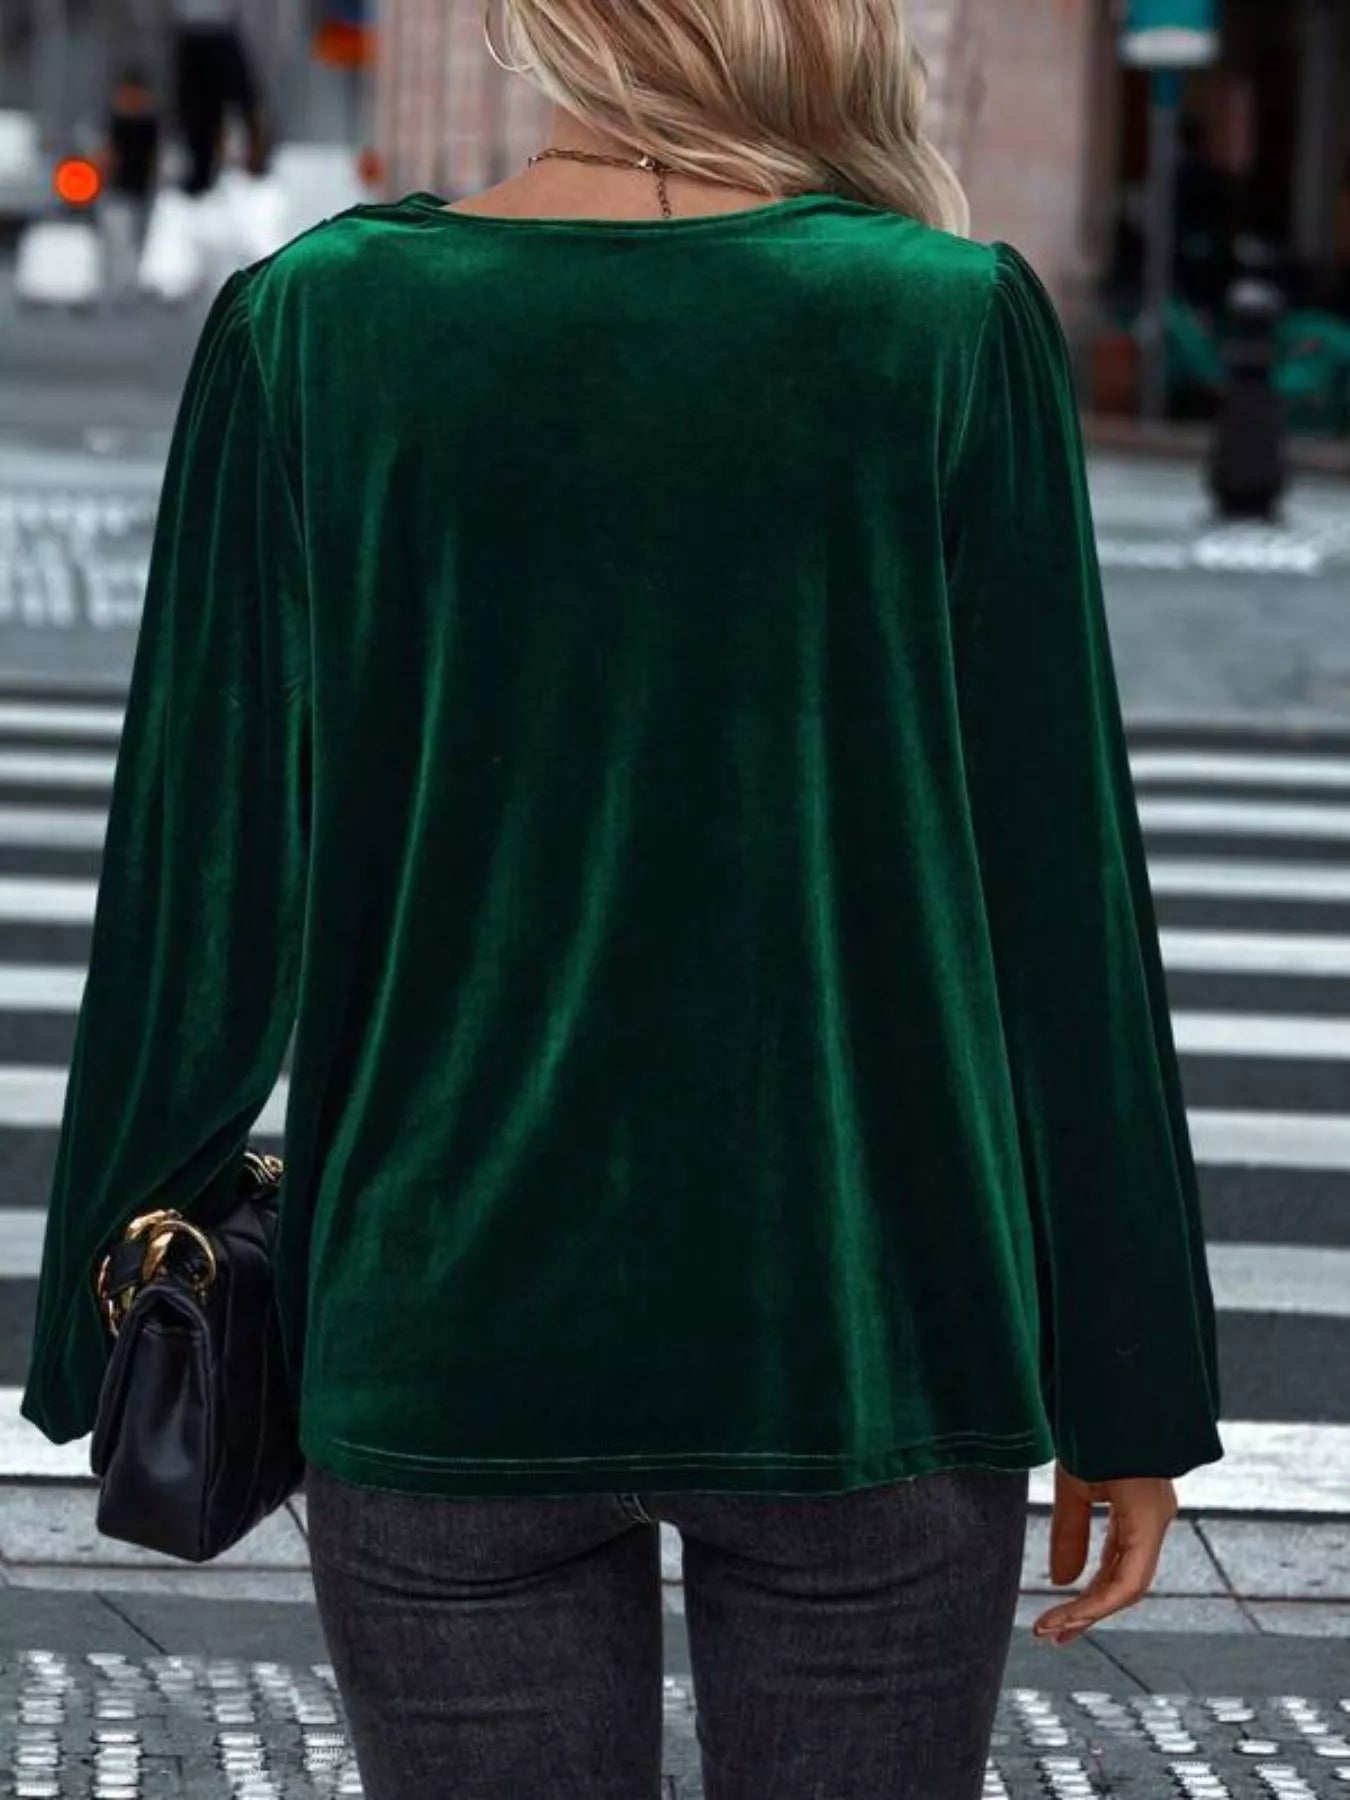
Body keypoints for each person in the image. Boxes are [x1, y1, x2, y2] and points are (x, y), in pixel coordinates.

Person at [19, 0, 1224, 1794]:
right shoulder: (944, 326)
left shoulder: (316, 327)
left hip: (443, 1323)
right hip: (869, 1332)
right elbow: (1064, 911)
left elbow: (196, 877)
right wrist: (1131, 1382)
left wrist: (96, 1334)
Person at [168, 0, 269, 196]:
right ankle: (202, 173)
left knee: (242, 103)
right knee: (196, 112)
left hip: (225, 31)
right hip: (190, 34)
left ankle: (251, 159)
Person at [98, 63, 161, 304]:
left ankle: (132, 283)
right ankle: (119, 285)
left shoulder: (149, 124)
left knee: (138, 239)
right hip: (118, 191)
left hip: (142, 190)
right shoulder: (115, 122)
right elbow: (107, 155)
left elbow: (155, 159)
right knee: (119, 239)